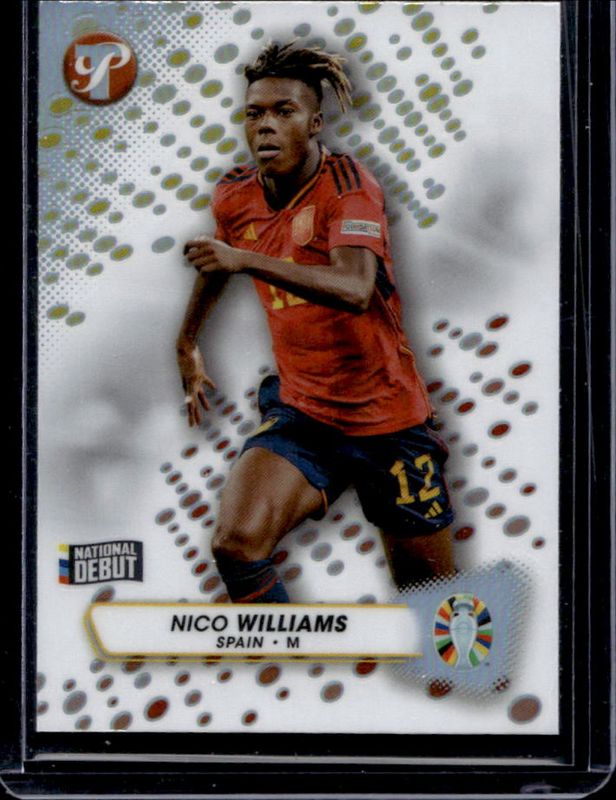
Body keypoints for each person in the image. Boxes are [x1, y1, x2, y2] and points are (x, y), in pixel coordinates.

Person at [177, 42, 455, 603]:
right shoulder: (234, 193)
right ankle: (288, 652)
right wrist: (187, 341)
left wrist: (244, 260)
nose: (266, 126)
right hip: (304, 411)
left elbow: (354, 289)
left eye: (284, 111)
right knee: (236, 545)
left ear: (315, 122)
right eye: (254, 113)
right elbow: (219, 259)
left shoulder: (351, 188)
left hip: (388, 419)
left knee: (434, 607)